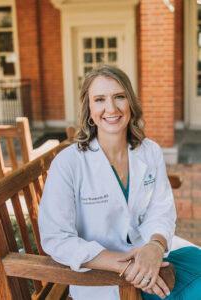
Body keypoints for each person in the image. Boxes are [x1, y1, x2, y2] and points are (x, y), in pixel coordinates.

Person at [38, 65, 201, 300]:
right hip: (103, 275)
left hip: (153, 258)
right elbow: (56, 238)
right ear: (89, 109)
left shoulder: (150, 152)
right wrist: (128, 265)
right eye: (100, 99)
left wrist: (155, 246)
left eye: (119, 97)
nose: (111, 108)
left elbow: (161, 211)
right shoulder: (69, 163)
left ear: (130, 103)